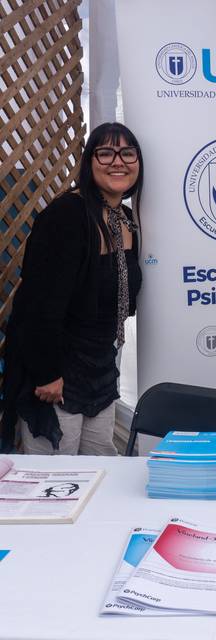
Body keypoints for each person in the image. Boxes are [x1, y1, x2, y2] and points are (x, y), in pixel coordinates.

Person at [1, 122, 143, 455]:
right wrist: (47, 374)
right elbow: (38, 307)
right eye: (105, 152)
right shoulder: (66, 217)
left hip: (101, 370)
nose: (117, 161)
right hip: (56, 373)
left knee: (100, 467)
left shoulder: (125, 219)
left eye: (127, 153)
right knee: (56, 475)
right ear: (89, 162)